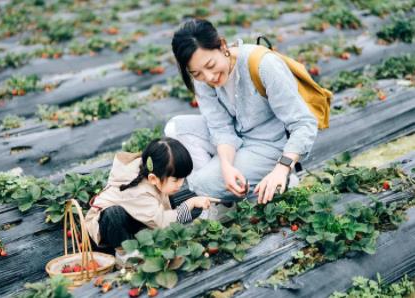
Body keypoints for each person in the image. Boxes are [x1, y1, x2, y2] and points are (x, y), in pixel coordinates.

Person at [166, 19, 318, 205]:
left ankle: (282, 179)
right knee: (176, 128)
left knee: (202, 183)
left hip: (270, 145)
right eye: (196, 73)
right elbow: (220, 127)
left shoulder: (263, 64)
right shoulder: (202, 78)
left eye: (211, 65)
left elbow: (304, 124)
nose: (208, 77)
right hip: (237, 139)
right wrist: (227, 166)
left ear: (222, 46)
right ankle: (227, 193)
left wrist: (283, 166)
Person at [85, 137, 213, 252]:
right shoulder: (138, 192)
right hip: (106, 232)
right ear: (152, 178)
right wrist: (190, 203)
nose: (180, 184)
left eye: (182, 179)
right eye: (175, 180)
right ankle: (125, 254)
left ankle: (143, 241)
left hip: (138, 216)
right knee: (114, 214)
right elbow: (162, 222)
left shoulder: (155, 172)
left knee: (168, 195)